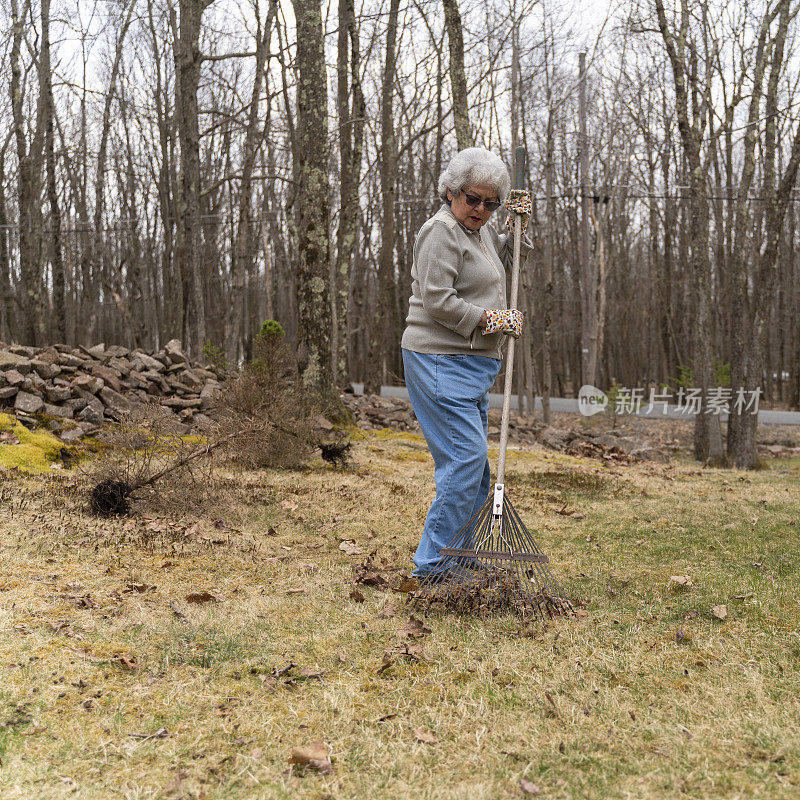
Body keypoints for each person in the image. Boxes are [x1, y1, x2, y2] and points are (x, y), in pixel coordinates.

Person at [401, 147, 530, 579]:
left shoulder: (482, 234)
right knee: (465, 461)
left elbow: (501, 273)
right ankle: (434, 566)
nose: (481, 209)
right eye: (473, 199)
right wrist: (491, 319)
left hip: (472, 364)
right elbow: (438, 300)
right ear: (452, 192)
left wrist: (516, 232)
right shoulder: (440, 232)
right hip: (440, 359)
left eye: (491, 203)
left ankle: (461, 561)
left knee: (474, 470)